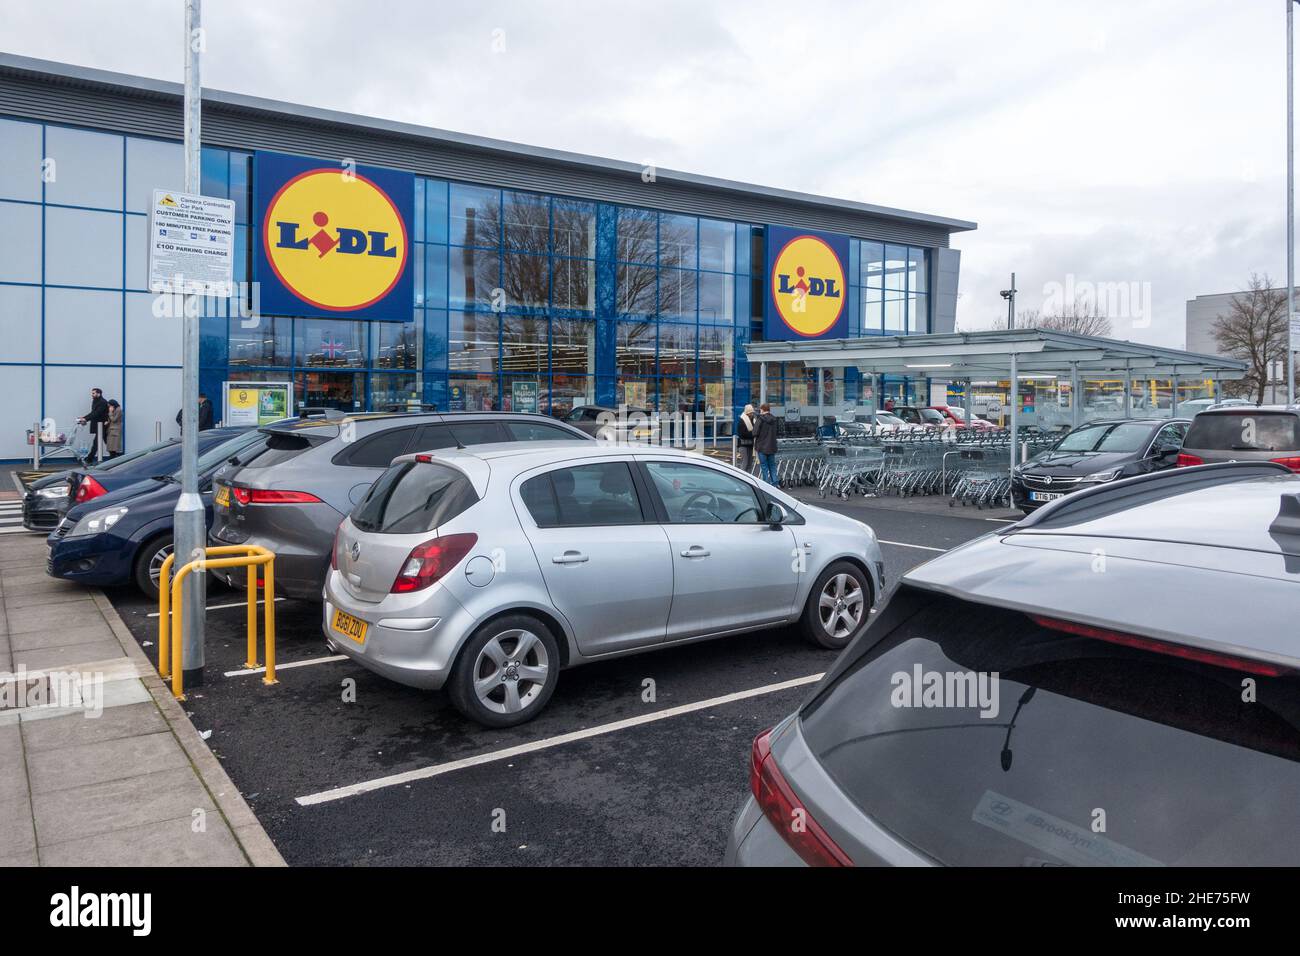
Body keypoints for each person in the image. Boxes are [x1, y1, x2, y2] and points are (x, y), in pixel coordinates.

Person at [77, 387, 110, 461]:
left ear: (99, 394)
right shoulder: (95, 401)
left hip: (101, 425)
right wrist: (84, 418)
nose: (92, 395)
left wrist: (85, 418)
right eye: (92, 393)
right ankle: (114, 456)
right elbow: (93, 413)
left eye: (93, 393)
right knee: (105, 441)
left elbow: (97, 413)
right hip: (98, 425)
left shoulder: (102, 402)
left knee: (96, 443)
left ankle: (89, 459)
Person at [753, 402, 780, 487]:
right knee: (772, 465)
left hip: (762, 446)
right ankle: (775, 483)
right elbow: (777, 432)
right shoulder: (774, 419)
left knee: (764, 466)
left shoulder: (760, 419)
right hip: (772, 446)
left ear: (762, 409)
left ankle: (766, 485)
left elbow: (755, 432)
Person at [737, 403, 757, 474]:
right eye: (751, 413)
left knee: (749, 463)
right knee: (744, 463)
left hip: (751, 444)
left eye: (752, 413)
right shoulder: (742, 421)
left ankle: (749, 478)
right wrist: (753, 434)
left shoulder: (753, 420)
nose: (752, 414)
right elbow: (742, 434)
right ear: (747, 413)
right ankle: (742, 477)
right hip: (743, 445)